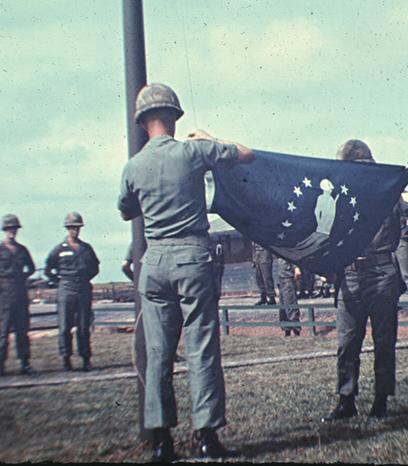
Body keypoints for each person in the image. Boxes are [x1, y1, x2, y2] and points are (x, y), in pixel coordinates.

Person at [117, 82, 254, 461]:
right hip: (192, 257)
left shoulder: (133, 166)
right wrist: (208, 138)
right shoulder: (193, 152)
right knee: (201, 348)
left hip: (154, 261)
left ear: (142, 122)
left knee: (158, 354)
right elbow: (247, 154)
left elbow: (126, 210)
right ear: (175, 118)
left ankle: (162, 442)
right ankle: (207, 437)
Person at [321, 139, 408, 422]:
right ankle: (346, 400)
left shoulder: (388, 191)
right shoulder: (341, 196)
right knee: (347, 343)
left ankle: (381, 401)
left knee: (384, 340)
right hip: (349, 275)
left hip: (381, 272)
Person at [45, 212, 99, 373]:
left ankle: (86, 359)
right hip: (66, 290)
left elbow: (95, 268)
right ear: (67, 229)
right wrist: (61, 281)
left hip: (83, 289)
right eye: (71, 228)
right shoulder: (59, 249)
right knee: (65, 326)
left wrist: (84, 279)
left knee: (83, 326)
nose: (74, 231)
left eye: (77, 227)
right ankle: (66, 359)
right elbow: (48, 269)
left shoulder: (86, 248)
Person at [0, 214, 36, 376]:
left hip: (20, 294)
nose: (12, 231)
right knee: (3, 332)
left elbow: (31, 268)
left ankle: (25, 363)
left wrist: (22, 277)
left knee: (22, 331)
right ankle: (1, 365)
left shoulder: (22, 250)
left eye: (14, 228)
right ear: (4, 230)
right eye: (9, 229)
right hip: (4, 295)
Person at [277, 257, 301, 336]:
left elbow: (293, 255)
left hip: (288, 277)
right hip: (281, 277)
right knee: (282, 307)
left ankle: (296, 330)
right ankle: (286, 329)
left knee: (290, 304)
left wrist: (297, 268)